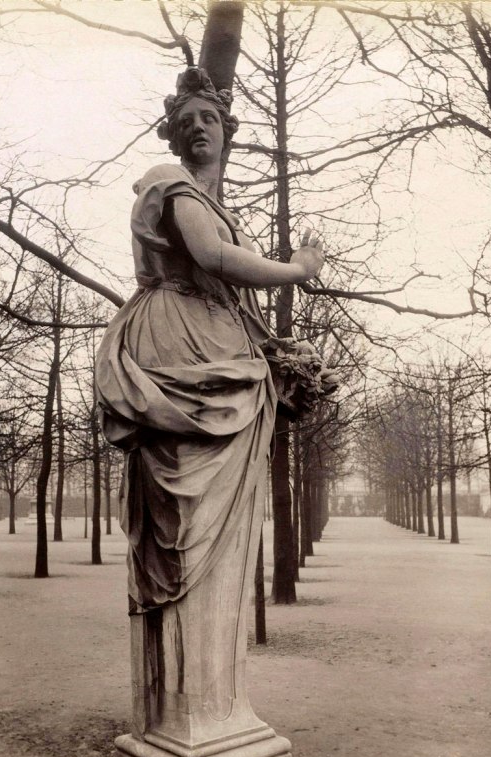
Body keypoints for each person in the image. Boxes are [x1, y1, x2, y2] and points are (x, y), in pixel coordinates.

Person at [95, 66, 324, 616]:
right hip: (177, 338)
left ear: (227, 132)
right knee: (179, 501)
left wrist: (278, 355)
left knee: (213, 519)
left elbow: (236, 297)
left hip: (217, 341)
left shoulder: (225, 213)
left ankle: (208, 660)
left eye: (209, 118)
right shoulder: (168, 180)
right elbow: (214, 257)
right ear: (173, 138)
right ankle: (180, 651)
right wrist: (297, 271)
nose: (197, 127)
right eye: (185, 122)